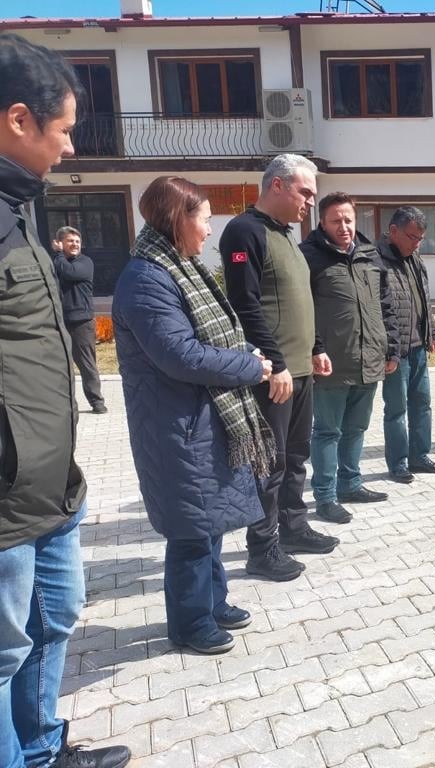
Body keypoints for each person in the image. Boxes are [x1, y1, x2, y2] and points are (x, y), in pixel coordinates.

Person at [0, 32, 130, 768]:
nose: (73, 149)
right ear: (19, 119)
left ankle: (42, 749)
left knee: (52, 624)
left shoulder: (19, 210)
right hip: (6, 497)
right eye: (65, 131)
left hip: (51, 485)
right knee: (2, 649)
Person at [113, 177, 274, 654]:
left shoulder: (179, 267)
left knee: (211, 519)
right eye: (203, 218)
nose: (208, 229)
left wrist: (244, 353)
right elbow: (180, 355)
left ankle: (213, 600)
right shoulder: (147, 278)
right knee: (191, 530)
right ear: (176, 219)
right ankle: (189, 624)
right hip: (175, 425)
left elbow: (215, 335)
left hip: (201, 418)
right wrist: (249, 366)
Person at [220, 154, 339, 582]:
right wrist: (276, 362)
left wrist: (317, 346)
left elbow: (300, 298)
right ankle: (262, 547)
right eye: (305, 192)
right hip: (274, 375)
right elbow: (245, 305)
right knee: (269, 464)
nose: (310, 201)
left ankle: (293, 527)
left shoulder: (287, 235)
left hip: (300, 369)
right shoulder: (244, 232)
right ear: (277, 186)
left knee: (296, 456)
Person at [301, 193, 398, 512]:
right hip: (331, 363)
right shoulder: (309, 257)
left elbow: (386, 306)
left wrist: (391, 348)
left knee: (356, 428)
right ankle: (325, 496)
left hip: (369, 359)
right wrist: (316, 348)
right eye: (335, 221)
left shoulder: (371, 255)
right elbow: (303, 310)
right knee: (328, 431)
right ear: (321, 223)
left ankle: (351, 484)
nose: (343, 227)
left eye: (348, 220)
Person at [377, 206, 435, 483]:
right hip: (396, 351)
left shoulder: (415, 259)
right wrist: (389, 350)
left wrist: (433, 332)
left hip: (419, 345)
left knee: (422, 403)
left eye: (421, 238)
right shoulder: (376, 261)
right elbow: (380, 311)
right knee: (396, 408)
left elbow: (424, 300)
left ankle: (420, 456)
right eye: (412, 237)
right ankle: (398, 463)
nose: (417, 243)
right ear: (393, 231)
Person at [51, 225, 106, 414]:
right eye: (70, 241)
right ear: (60, 243)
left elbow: (69, 273)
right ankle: (65, 404)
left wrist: (58, 255)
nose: (75, 244)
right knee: (61, 365)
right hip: (59, 321)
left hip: (81, 321)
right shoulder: (56, 264)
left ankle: (97, 402)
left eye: (77, 241)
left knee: (86, 364)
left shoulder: (85, 262)